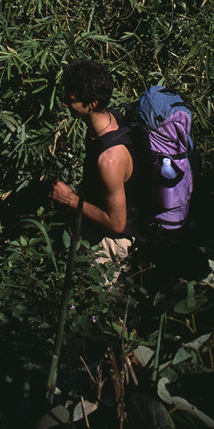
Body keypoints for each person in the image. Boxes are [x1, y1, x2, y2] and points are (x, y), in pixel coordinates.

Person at [50, 59, 138, 281]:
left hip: (111, 244)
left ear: (92, 104)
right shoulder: (112, 118)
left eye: (70, 100)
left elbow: (117, 224)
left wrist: (70, 199)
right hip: (98, 232)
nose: (63, 104)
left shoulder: (110, 158)